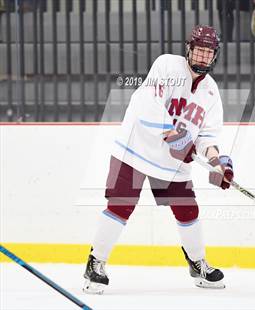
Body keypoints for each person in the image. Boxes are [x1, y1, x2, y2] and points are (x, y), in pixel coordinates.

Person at [82, 25, 234, 294]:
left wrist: (218, 163)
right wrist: (176, 138)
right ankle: (96, 262)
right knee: (120, 205)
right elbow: (148, 105)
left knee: (188, 210)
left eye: (208, 53)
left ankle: (198, 263)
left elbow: (207, 136)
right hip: (135, 149)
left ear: (215, 56)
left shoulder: (211, 92)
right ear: (189, 49)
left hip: (172, 162)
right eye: (199, 51)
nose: (202, 58)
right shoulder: (167, 66)